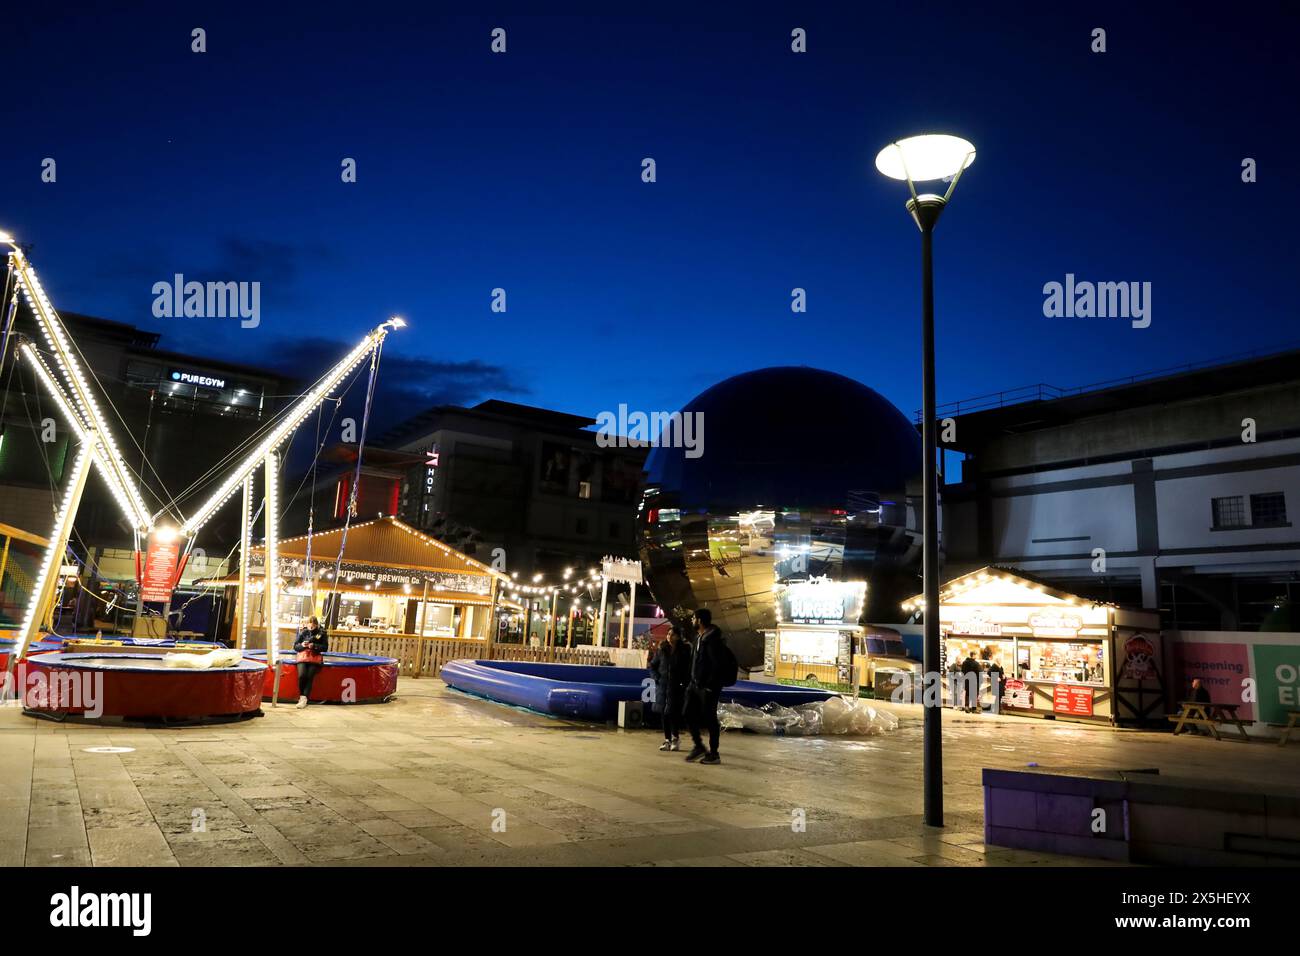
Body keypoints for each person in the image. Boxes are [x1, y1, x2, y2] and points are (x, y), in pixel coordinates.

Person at [684, 608, 726, 765]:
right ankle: (699, 746)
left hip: (708, 687)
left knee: (710, 719)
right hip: (694, 685)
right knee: (687, 712)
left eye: (694, 618)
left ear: (700, 620)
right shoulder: (699, 638)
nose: (692, 621)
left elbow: (717, 665)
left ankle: (714, 754)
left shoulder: (713, 640)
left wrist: (710, 685)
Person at [648, 624, 693, 751]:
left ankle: (675, 738)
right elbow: (652, 666)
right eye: (668, 634)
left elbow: (688, 669)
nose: (669, 637)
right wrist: (657, 678)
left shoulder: (684, 651)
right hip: (663, 686)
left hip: (676, 687)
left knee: (673, 713)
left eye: (672, 634)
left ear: (678, 637)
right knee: (664, 713)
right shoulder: (662, 649)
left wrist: (684, 683)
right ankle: (667, 739)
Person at [293, 616, 329, 709]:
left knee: (309, 676)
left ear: (316, 625)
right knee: (302, 675)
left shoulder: (322, 634)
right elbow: (295, 647)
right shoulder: (303, 633)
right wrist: (302, 645)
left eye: (313, 625)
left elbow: (325, 647)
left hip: (314, 657)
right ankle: (302, 696)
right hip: (303, 657)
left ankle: (304, 698)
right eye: (309, 625)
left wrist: (314, 646)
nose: (310, 627)